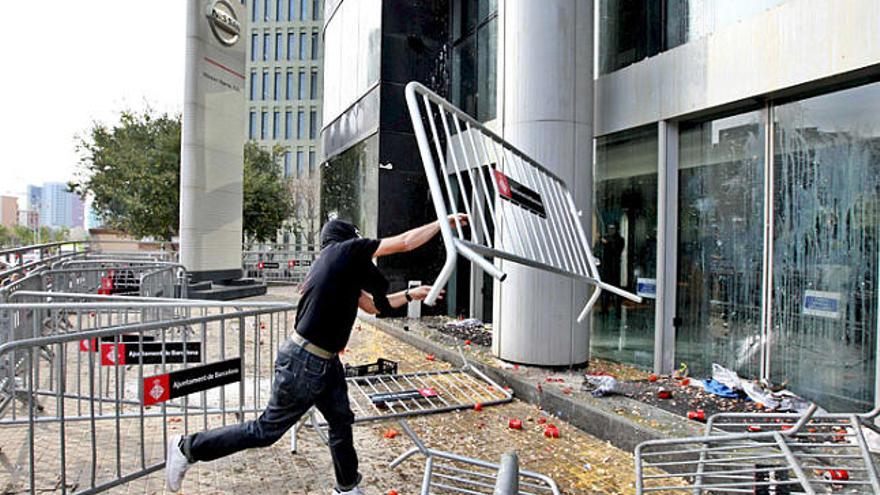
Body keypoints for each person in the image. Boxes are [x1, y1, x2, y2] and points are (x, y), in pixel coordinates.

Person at [165, 214, 468, 494]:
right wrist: (442, 223)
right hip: (304, 362)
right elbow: (404, 242)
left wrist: (410, 295)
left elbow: (373, 307)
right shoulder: (342, 252)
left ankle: (347, 487)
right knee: (266, 431)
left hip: (324, 362)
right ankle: (188, 447)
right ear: (347, 239)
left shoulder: (336, 268)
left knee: (340, 422)